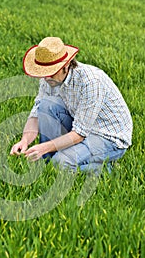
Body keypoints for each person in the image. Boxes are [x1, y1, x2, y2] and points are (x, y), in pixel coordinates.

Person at [10, 36, 133, 172]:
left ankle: (106, 168)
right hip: (81, 125)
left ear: (66, 65)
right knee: (46, 105)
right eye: (44, 72)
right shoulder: (48, 77)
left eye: (51, 72)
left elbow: (79, 133)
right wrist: (25, 141)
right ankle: (47, 159)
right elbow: (37, 110)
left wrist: (44, 146)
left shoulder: (91, 81)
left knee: (60, 163)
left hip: (108, 137)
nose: (46, 77)